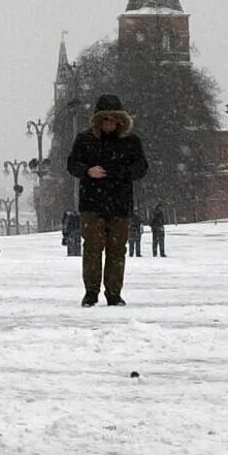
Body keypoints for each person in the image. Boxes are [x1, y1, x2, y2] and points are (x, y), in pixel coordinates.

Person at [67, 95, 147, 306]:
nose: (110, 125)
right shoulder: (85, 140)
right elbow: (72, 164)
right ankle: (91, 292)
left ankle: (113, 293)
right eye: (106, 120)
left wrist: (124, 172)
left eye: (114, 120)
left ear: (120, 121)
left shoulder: (131, 142)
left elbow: (141, 168)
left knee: (117, 250)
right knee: (92, 247)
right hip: (92, 204)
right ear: (98, 121)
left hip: (119, 205)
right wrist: (88, 171)